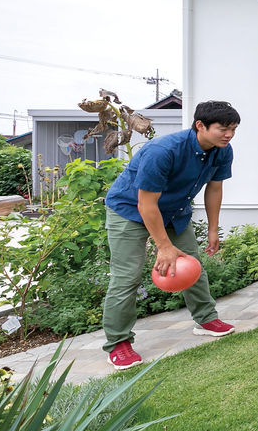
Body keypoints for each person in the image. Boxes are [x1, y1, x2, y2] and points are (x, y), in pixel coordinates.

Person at [101, 100, 241, 369]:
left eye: (233, 129)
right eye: (223, 128)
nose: (229, 134)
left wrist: (213, 229)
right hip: (129, 210)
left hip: (173, 211)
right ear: (200, 126)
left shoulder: (222, 150)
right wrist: (163, 246)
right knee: (127, 275)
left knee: (193, 264)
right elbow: (146, 204)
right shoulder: (163, 151)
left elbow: (214, 189)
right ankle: (118, 342)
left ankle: (206, 319)